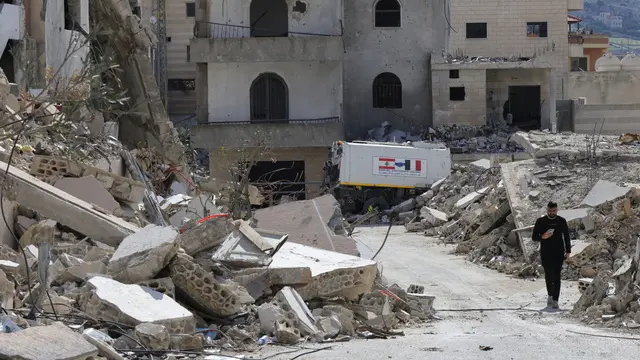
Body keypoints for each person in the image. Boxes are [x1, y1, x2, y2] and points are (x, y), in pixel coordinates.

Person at [532, 201, 571, 309]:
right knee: (549, 275)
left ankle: (555, 299)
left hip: (558, 252)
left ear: (557, 210)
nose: (552, 213)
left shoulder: (561, 221)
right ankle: (550, 295)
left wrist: (568, 252)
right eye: (550, 211)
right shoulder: (541, 221)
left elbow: (567, 237)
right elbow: (534, 237)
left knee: (557, 276)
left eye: (554, 211)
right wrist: (543, 237)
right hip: (546, 252)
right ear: (547, 210)